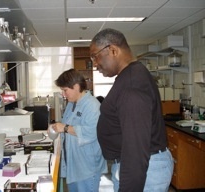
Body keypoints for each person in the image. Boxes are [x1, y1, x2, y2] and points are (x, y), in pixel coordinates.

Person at [90, 28, 174, 192]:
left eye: (95, 56)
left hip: (143, 169)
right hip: (141, 165)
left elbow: (135, 149)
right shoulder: (130, 76)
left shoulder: (131, 85)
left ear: (113, 50)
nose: (94, 63)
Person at [50, 68, 107, 192]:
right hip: (74, 164)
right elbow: (67, 125)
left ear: (76, 86)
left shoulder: (92, 106)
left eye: (65, 90)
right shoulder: (72, 103)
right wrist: (56, 128)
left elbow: (92, 132)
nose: (64, 94)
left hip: (87, 166)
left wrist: (64, 128)